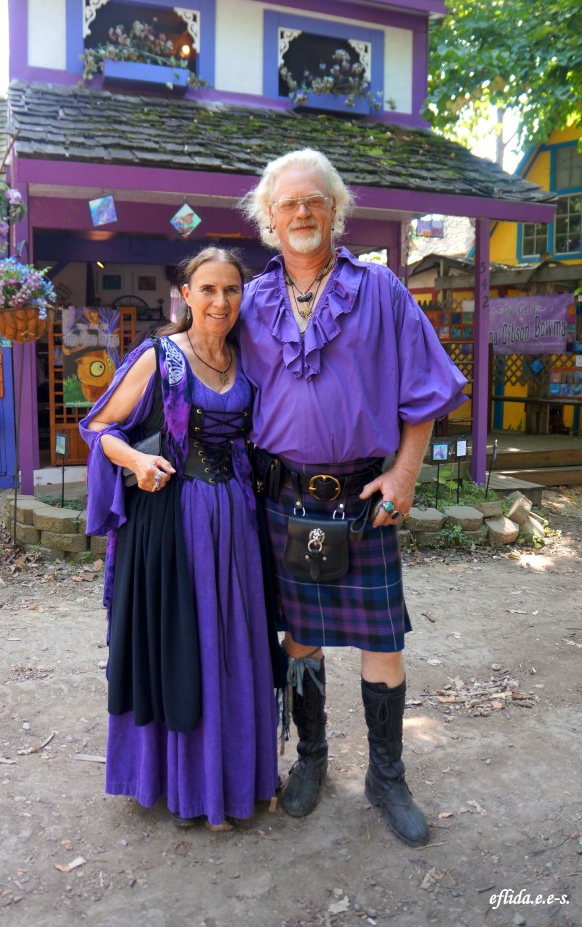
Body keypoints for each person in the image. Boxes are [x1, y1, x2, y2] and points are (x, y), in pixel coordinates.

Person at [239, 149, 468, 847]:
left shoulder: (381, 290)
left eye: (314, 200)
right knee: (300, 635)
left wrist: (404, 474)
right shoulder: (250, 302)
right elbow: (203, 368)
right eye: (288, 203)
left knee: (380, 638)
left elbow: (425, 387)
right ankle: (311, 761)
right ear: (269, 218)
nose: (302, 212)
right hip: (285, 495)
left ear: (335, 210)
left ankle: (387, 776)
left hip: (364, 496)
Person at [80, 247, 279, 830]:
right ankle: (183, 784)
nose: (221, 301)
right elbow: (97, 426)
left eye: (232, 291)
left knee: (235, 647)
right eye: (209, 290)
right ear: (186, 296)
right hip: (172, 522)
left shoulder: (246, 361)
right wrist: (137, 464)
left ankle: (236, 779)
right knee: (184, 644)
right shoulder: (161, 357)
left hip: (237, 522)